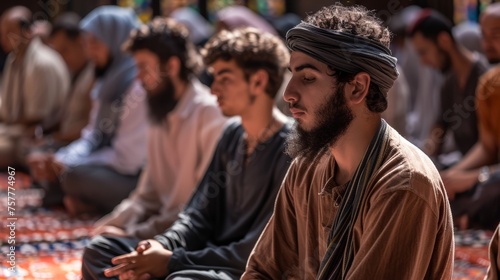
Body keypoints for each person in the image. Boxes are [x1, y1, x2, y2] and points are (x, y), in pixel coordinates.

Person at [243, 4, 454, 279]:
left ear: (357, 88)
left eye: (307, 78)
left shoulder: (404, 184)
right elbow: (262, 270)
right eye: (292, 75)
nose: (289, 94)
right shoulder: (305, 169)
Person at [81, 26, 292, 280]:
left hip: (241, 270)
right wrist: (160, 246)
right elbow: (196, 215)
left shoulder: (290, 147)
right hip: (200, 256)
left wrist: (173, 262)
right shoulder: (233, 134)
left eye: (224, 79)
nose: (213, 90)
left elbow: (258, 251)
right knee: (101, 250)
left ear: (258, 81)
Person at [90, 17, 227, 239]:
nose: (139, 77)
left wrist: (135, 234)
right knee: (99, 248)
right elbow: (146, 195)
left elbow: (200, 209)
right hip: (160, 231)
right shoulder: (158, 110)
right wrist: (109, 226)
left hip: (191, 237)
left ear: (171, 66)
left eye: (144, 67)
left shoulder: (209, 113)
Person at [27, 6, 148, 216]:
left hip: (134, 177)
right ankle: (82, 202)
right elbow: (91, 136)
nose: (90, 52)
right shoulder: (106, 84)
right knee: (51, 169)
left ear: (116, 41)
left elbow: (128, 159)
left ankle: (86, 201)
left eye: (95, 43)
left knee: (73, 177)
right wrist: (61, 159)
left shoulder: (138, 86)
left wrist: (69, 165)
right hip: (104, 166)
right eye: (87, 44)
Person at [440, 2, 500, 231]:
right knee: (443, 185)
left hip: (494, 181)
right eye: (483, 36)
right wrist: (453, 176)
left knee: (490, 191)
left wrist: (477, 177)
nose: (487, 44)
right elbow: (487, 147)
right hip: (492, 176)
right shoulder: (489, 84)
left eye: (495, 35)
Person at [409, 9, 489, 169]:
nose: (423, 62)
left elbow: (489, 148)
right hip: (460, 170)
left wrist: (453, 176)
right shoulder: (448, 83)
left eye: (424, 52)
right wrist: (421, 160)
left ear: (444, 40)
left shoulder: (485, 79)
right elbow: (440, 128)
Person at [0, 6, 70, 168]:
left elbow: (36, 118)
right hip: (16, 132)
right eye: (2, 32)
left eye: (9, 32)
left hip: (39, 137)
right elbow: (7, 109)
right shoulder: (13, 59)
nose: (3, 38)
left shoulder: (41, 63)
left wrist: (6, 128)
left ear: (27, 32)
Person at [40, 13, 94, 148]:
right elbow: (65, 118)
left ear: (81, 42)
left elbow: (90, 128)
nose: (62, 58)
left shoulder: (94, 76)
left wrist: (52, 139)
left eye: (65, 50)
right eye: (58, 53)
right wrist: (42, 132)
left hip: (78, 149)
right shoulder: (72, 72)